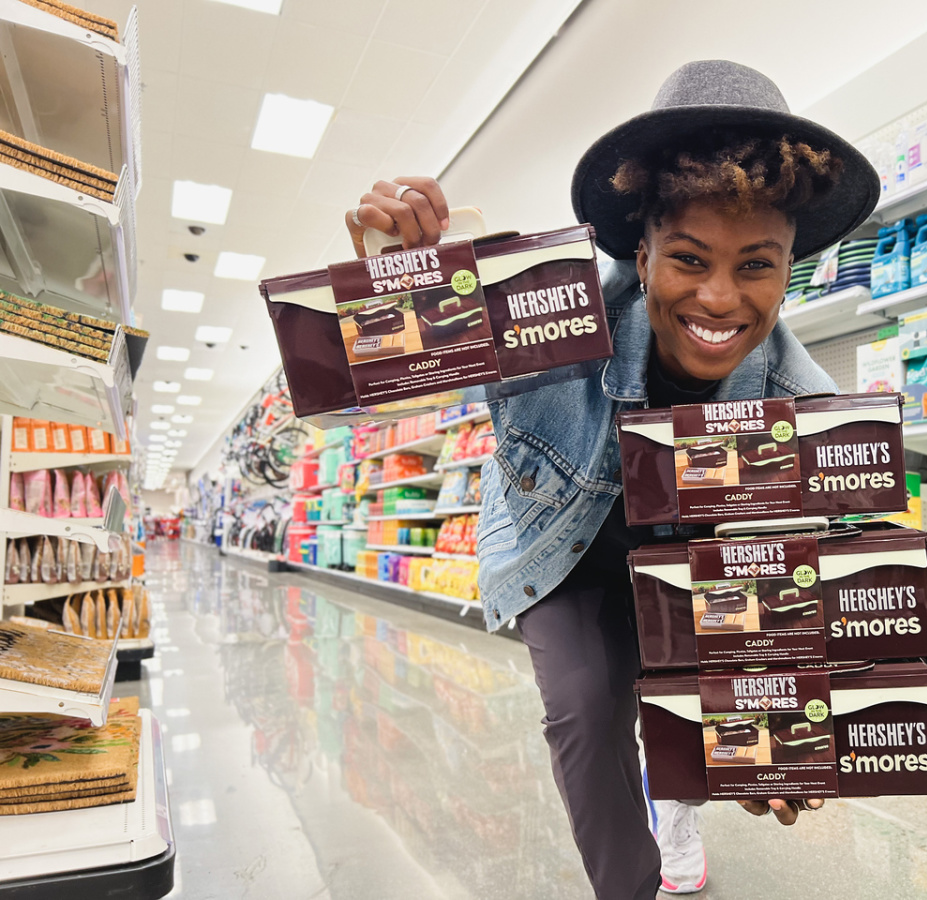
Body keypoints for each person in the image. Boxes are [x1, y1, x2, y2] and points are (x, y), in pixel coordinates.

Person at [345, 60, 878, 899]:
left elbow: (797, 593)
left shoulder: (801, 405)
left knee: (693, 725)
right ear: (643, 249)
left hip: (695, 567)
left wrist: (791, 728)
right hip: (561, 543)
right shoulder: (550, 324)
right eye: (689, 258)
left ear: (788, 269)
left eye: (757, 266)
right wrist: (395, 291)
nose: (718, 297)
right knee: (587, 714)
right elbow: (353, 415)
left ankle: (682, 801)